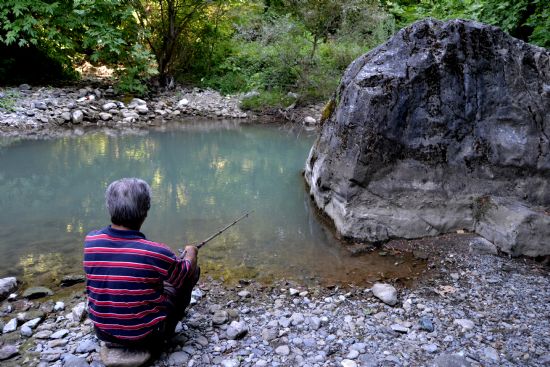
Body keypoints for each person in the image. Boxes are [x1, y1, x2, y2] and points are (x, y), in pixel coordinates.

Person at [83, 178, 199, 348]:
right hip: (148, 336)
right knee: (191, 271)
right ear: (145, 211)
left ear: (109, 208)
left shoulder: (91, 241)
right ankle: (168, 329)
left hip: (103, 332)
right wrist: (191, 252)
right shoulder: (156, 251)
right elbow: (186, 271)